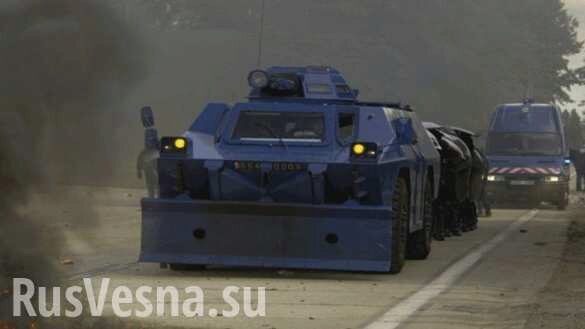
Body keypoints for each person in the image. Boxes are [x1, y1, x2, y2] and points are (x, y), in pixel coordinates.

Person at [137, 128, 160, 198]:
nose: (149, 140)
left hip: (156, 170)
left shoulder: (158, 151)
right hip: (148, 170)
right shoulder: (144, 152)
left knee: (157, 185)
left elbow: (140, 159)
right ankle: (152, 198)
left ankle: (157, 197)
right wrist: (139, 170)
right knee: (150, 186)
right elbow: (140, 160)